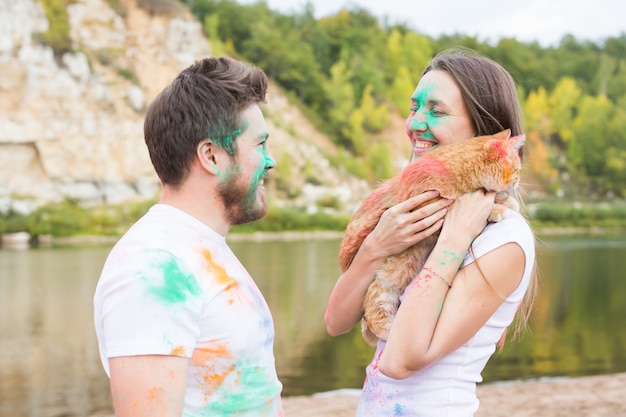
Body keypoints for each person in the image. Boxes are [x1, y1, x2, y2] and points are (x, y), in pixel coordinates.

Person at [325, 47, 537, 417]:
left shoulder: (504, 238)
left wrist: (454, 239)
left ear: (484, 134)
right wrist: (376, 246)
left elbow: (402, 360)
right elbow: (336, 321)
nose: (415, 123)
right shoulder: (418, 210)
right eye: (413, 107)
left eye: (436, 111)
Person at [93, 57, 283, 417]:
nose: (270, 161)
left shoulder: (198, 247)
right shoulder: (153, 266)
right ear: (211, 156)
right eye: (259, 145)